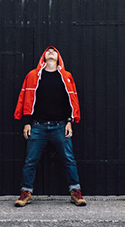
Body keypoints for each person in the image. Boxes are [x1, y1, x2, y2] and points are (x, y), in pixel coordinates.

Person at [13, 46, 86, 207]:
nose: (51, 52)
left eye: (54, 51)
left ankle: (75, 191)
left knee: (69, 159)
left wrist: (69, 121)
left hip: (60, 126)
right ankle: (26, 192)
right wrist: (26, 122)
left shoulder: (66, 76)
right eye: (48, 51)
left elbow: (71, 101)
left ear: (58, 57)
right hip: (37, 126)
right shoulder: (33, 76)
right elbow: (26, 98)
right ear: (43, 57)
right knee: (30, 160)